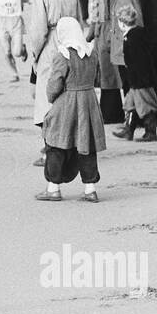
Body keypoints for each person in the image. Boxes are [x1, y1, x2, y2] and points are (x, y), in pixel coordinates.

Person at [35, 17, 106, 203]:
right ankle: (90, 189)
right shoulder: (91, 52)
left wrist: (51, 98)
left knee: (56, 143)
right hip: (89, 101)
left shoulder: (63, 54)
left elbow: (54, 84)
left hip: (67, 102)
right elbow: (96, 77)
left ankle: (53, 188)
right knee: (86, 145)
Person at [26, 0, 82, 166]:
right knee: (66, 96)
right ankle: (69, 145)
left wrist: (35, 56)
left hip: (50, 46)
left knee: (46, 98)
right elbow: (79, 23)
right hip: (70, 45)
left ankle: (49, 149)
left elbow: (38, 32)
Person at [85, 0, 124, 126]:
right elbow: (96, 16)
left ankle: (111, 114)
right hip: (102, 33)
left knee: (109, 74)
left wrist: (93, 35)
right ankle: (111, 112)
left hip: (107, 34)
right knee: (107, 74)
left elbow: (102, 16)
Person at [114, 4, 157, 142]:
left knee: (145, 105)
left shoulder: (132, 38)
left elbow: (137, 62)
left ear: (122, 23)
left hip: (140, 80)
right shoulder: (138, 34)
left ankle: (151, 132)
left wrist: (136, 80)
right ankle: (129, 129)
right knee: (130, 104)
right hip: (138, 79)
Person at [108, 0, 144, 134]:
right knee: (128, 87)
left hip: (125, 51)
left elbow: (136, 23)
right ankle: (131, 121)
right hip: (121, 50)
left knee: (130, 88)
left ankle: (131, 123)